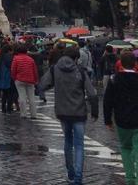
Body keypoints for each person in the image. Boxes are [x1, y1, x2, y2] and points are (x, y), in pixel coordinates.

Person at [39, 46, 99, 185]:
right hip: (79, 112)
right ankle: (78, 177)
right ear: (76, 58)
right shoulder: (80, 71)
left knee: (68, 142)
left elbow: (42, 84)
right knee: (79, 145)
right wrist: (95, 111)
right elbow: (92, 93)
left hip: (62, 112)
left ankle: (71, 173)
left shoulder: (55, 69)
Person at [104, 52, 138, 184]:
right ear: (134, 63)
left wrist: (108, 120)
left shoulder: (114, 80)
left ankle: (130, 179)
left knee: (125, 148)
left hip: (122, 120)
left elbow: (107, 102)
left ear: (121, 64)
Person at [11, 43, 39, 119]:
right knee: (31, 98)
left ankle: (23, 114)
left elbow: (13, 70)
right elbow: (35, 71)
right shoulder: (31, 59)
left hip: (19, 79)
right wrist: (36, 80)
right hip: (30, 80)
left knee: (22, 97)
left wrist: (14, 78)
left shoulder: (16, 58)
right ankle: (34, 114)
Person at [0, 44, 16, 114]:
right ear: (9, 50)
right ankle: (9, 108)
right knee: (10, 94)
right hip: (8, 76)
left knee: (4, 94)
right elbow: (11, 66)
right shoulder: (8, 57)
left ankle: (3, 108)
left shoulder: (0, 57)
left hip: (2, 77)